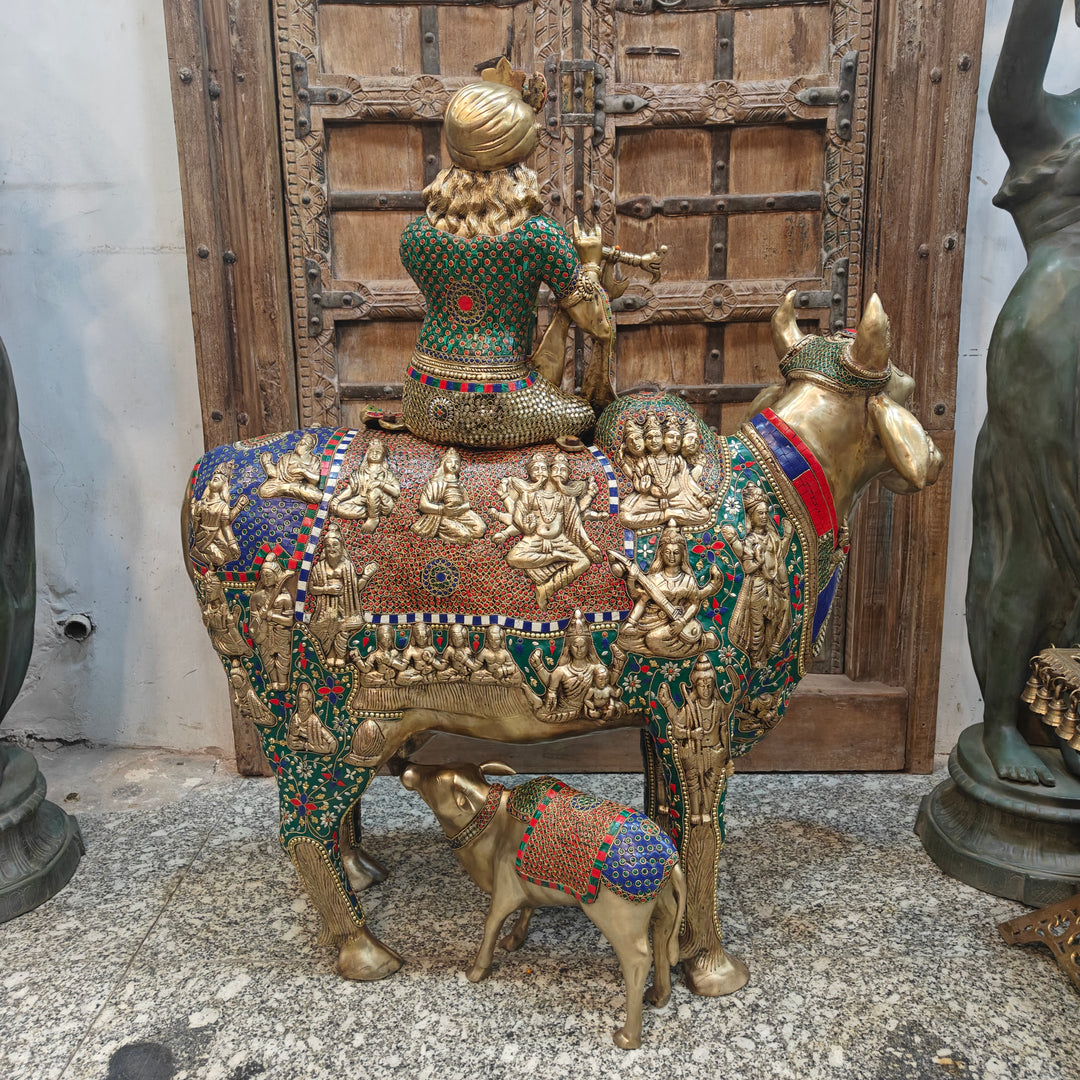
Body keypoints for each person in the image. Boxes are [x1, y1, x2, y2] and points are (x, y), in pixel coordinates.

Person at [966, 0, 1080, 783]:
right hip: (1053, 337)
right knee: (1034, 545)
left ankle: (1061, 716)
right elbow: (1010, 83)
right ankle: (1004, 725)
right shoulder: (1046, 119)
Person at [398, 57, 613, 448]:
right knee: (584, 414)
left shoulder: (415, 237)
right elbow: (593, 321)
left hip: (422, 396)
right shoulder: (537, 236)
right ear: (519, 147)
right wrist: (592, 263)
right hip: (504, 402)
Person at [721, 484, 794, 668]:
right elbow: (747, 567)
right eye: (759, 513)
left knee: (774, 622)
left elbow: (779, 558)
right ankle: (755, 660)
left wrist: (786, 537)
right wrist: (759, 562)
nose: (763, 516)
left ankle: (767, 655)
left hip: (774, 586)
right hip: (757, 587)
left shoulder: (771, 537)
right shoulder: (751, 540)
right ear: (751, 516)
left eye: (765, 513)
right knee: (757, 628)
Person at [308, 522, 377, 667]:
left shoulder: (347, 566)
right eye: (328, 546)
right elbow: (312, 589)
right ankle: (328, 653)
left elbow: (354, 588)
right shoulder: (319, 567)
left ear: (341, 548)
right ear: (324, 549)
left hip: (345, 607)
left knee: (343, 627)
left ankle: (339, 655)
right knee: (324, 627)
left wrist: (366, 576)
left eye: (335, 545)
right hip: (325, 608)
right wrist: (327, 590)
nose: (331, 549)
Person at [411, 448, 486, 545]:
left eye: (457, 463)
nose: (453, 465)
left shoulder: (459, 484)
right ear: (443, 464)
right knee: (464, 536)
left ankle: (456, 526)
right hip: (442, 516)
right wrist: (442, 510)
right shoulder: (435, 484)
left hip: (460, 513)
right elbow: (423, 505)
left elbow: (467, 502)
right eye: (449, 462)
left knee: (480, 530)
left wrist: (461, 509)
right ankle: (442, 530)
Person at [330, 438, 400, 534]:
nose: (374, 454)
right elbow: (350, 490)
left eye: (378, 452)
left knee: (374, 492)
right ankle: (370, 511)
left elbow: (396, 492)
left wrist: (380, 484)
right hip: (362, 501)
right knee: (338, 508)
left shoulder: (387, 475)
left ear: (383, 456)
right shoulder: (359, 474)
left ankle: (373, 518)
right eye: (372, 451)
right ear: (367, 454)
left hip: (382, 502)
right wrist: (337, 500)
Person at [286, 681, 339, 755]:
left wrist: (330, 740)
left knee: (327, 747)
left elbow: (322, 731)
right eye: (300, 703)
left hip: (314, 743)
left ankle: (307, 746)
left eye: (304, 704)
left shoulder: (313, 719)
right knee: (291, 743)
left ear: (309, 704)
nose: (302, 706)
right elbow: (293, 734)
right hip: (298, 742)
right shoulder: (296, 717)